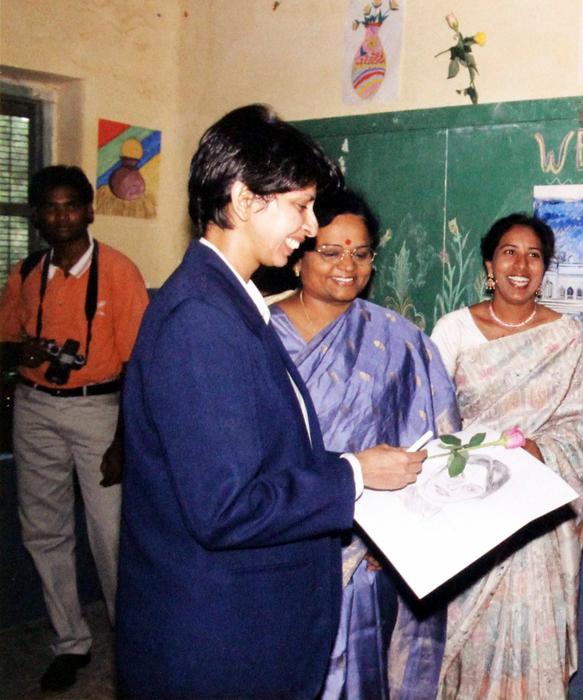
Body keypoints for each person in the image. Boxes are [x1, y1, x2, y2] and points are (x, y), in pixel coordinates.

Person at [115, 104, 426, 699]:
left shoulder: (231, 300)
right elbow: (226, 507)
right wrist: (354, 473)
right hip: (220, 641)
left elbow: (260, 456)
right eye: (300, 205)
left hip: (247, 625)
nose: (310, 227)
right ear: (243, 199)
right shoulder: (201, 318)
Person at [270, 185, 460, 700]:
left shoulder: (400, 341)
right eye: (331, 252)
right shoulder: (259, 334)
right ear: (298, 256)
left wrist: (394, 535)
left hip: (364, 552)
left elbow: (433, 443)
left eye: (361, 253)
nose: (347, 266)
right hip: (276, 540)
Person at [430, 213, 583, 699]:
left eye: (534, 256)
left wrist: (536, 450)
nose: (521, 266)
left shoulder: (565, 336)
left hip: (536, 519)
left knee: (530, 649)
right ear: (489, 264)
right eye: (509, 253)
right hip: (468, 515)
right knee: (468, 650)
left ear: (545, 268)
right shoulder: (454, 330)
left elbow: (577, 426)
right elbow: (432, 425)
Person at [0, 165, 148, 692]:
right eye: (50, 207)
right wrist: (22, 352)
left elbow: (138, 368)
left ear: (89, 211)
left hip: (98, 411)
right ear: (38, 216)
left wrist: (122, 441)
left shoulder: (119, 272)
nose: (61, 217)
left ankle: (131, 642)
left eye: (70, 206)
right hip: (35, 407)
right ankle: (70, 641)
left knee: (111, 534)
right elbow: (5, 341)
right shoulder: (26, 272)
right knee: (44, 530)